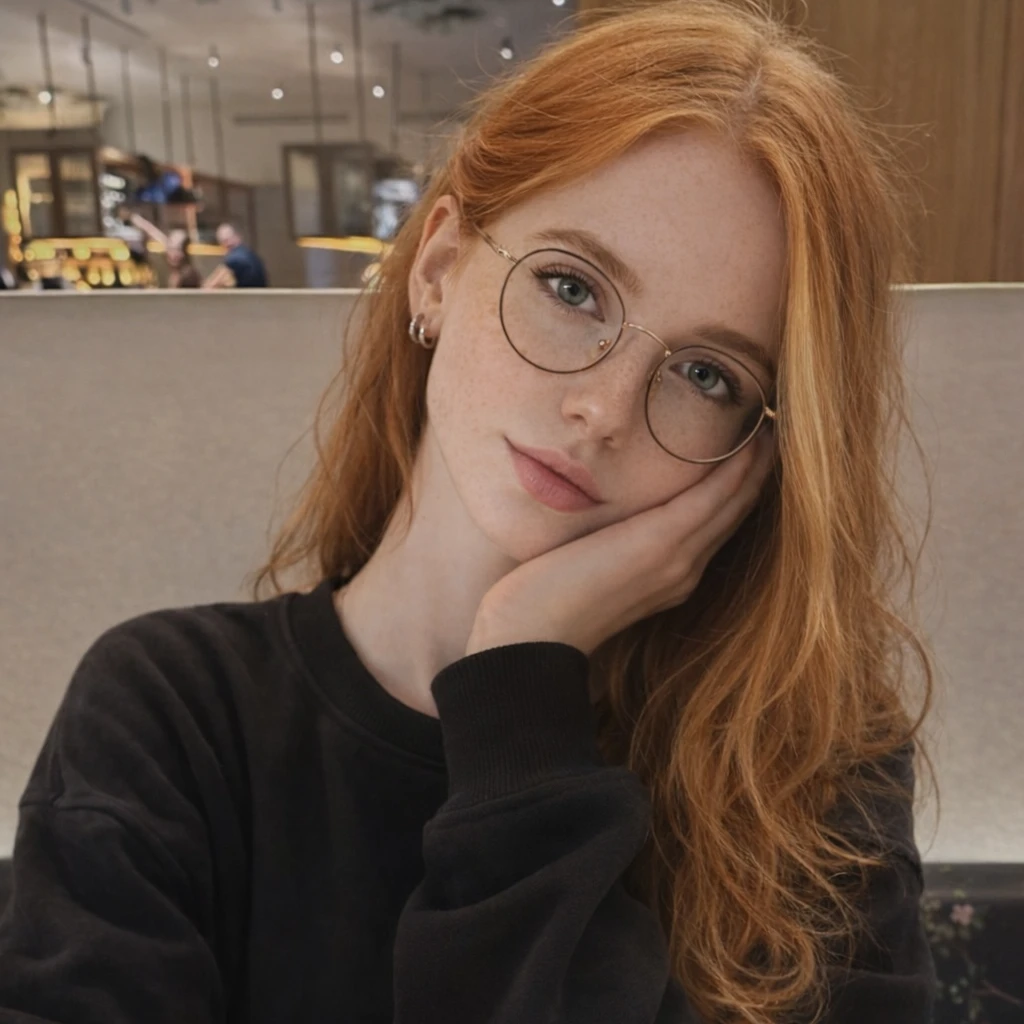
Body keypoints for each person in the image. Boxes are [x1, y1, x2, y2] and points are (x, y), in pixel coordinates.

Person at [0, 2, 937, 1022]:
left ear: (761, 443)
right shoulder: (172, 719)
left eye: (706, 373)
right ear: (439, 267)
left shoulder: (804, 774)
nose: (603, 408)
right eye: (571, 288)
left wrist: (521, 690)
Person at [128, 213, 202, 289]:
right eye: (171, 248)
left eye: (178, 249)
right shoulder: (171, 270)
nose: (173, 254)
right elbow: (157, 235)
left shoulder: (189, 276)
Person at [203, 222, 268, 289]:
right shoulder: (250, 254)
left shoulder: (235, 257)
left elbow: (212, 285)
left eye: (225, 241)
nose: (226, 244)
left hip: (248, 295)